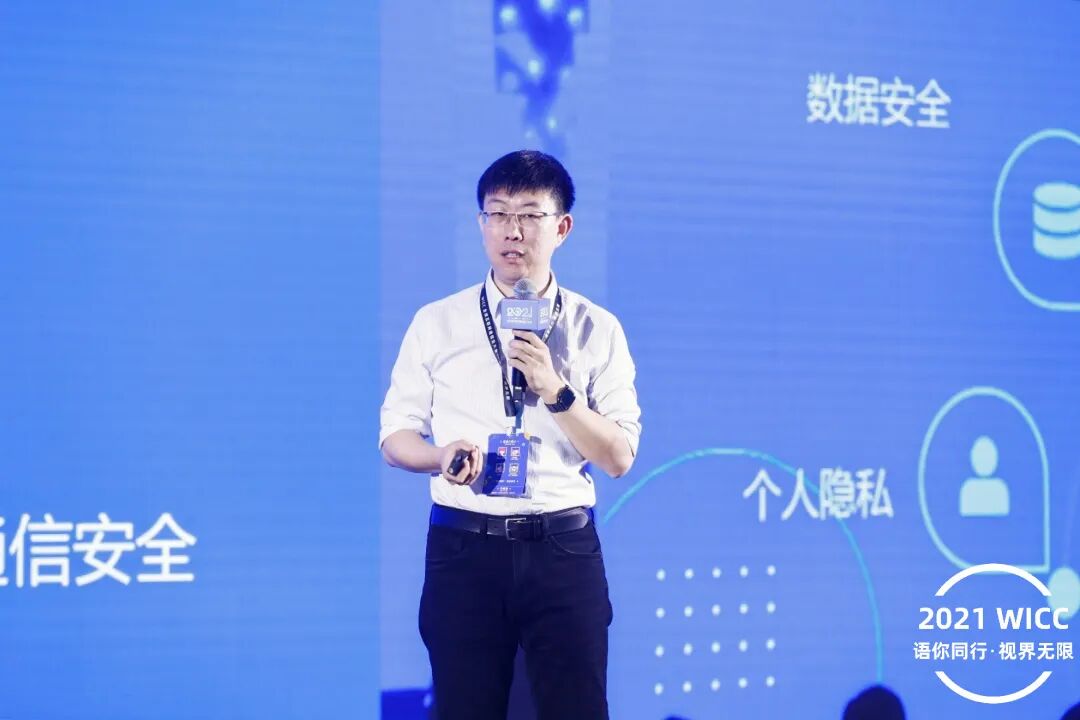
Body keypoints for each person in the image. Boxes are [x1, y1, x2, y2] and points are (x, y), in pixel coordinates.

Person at [379, 150, 642, 720]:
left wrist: (556, 390)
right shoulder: (438, 322)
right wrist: (440, 456)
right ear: (481, 224)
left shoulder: (597, 328)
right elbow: (395, 437)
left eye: (528, 215)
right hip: (464, 549)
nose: (511, 231)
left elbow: (619, 457)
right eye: (497, 213)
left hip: (562, 549)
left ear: (562, 227)